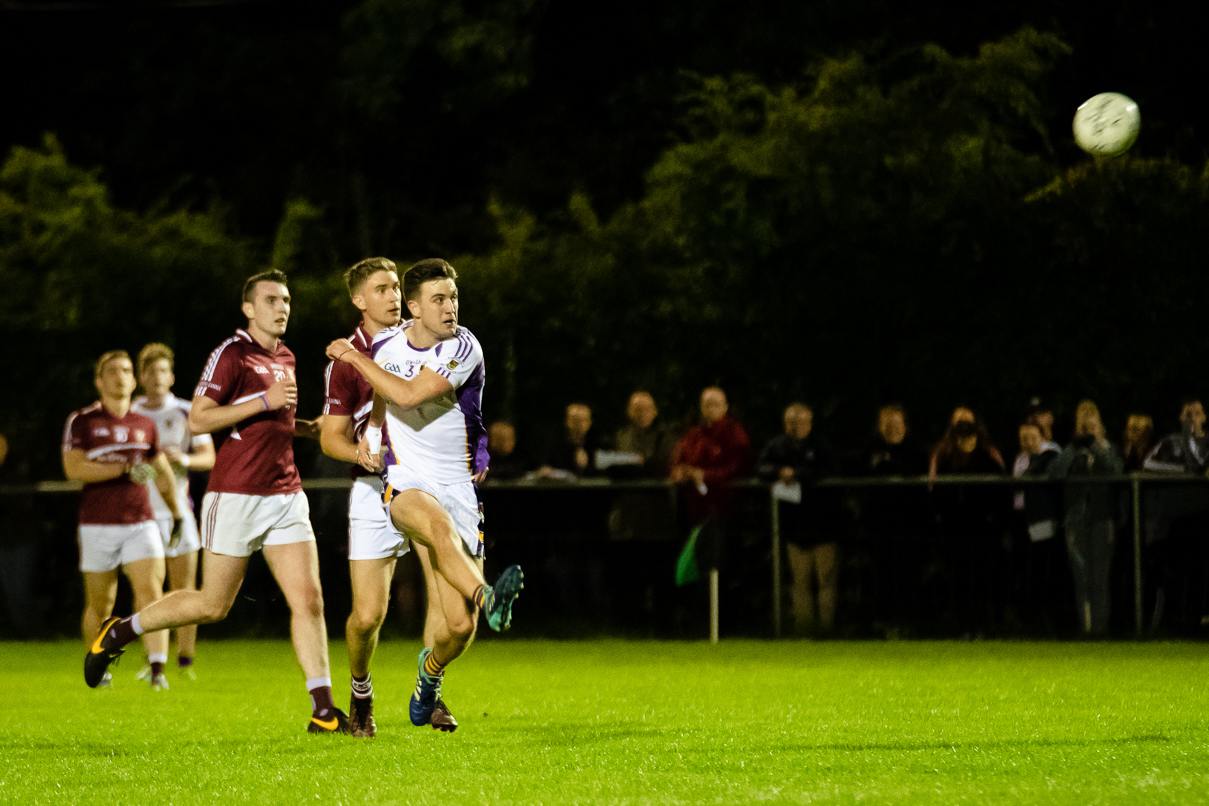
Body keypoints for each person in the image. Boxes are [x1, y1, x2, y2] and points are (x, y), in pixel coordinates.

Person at [83, 270, 348, 734]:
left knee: (309, 599)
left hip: (285, 493)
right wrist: (263, 402)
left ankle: (323, 710)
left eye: (285, 299)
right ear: (248, 308)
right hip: (236, 495)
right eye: (270, 300)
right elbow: (201, 420)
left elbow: (272, 421)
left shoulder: (284, 355)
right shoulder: (231, 353)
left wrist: (307, 427)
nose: (281, 307)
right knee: (212, 605)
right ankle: (121, 631)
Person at [324, 257, 523, 732]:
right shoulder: (389, 346)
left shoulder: (463, 346)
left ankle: (428, 680)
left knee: (458, 628)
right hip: (406, 483)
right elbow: (383, 395)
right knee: (429, 531)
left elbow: (409, 394)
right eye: (439, 299)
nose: (450, 306)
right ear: (414, 308)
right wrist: (372, 432)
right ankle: (488, 595)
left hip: (457, 488)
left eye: (453, 297)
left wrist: (355, 358)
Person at [320, 256, 457, 737]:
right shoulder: (346, 359)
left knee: (444, 597)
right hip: (371, 487)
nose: (393, 295)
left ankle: (431, 691)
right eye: (381, 288)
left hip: (424, 483)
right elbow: (330, 437)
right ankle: (360, 692)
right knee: (367, 615)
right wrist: (360, 454)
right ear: (359, 301)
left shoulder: (424, 337)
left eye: (396, 286)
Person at [66, 350, 184, 690]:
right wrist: (121, 468)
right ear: (99, 381)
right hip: (97, 523)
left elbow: (161, 471)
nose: (121, 376)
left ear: (135, 381)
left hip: (140, 521)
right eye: (113, 371)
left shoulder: (144, 424)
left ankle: (157, 670)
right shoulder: (82, 420)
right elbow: (73, 468)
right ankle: (98, 668)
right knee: (100, 602)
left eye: (127, 371)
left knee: (151, 592)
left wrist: (176, 512)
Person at [131, 342, 216, 681]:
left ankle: (186, 662)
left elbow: (209, 458)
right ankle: (154, 662)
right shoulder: (131, 413)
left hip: (180, 511)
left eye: (163, 371)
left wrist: (184, 460)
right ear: (141, 377)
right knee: (148, 590)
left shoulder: (186, 411)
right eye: (150, 371)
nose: (156, 377)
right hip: (139, 514)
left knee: (185, 589)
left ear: (172, 376)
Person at [757, 402, 839, 635]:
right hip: (793, 527)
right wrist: (778, 472)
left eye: (801, 422)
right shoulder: (777, 446)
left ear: (809, 423)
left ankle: (826, 631)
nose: (796, 427)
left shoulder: (820, 445)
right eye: (791, 422)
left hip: (823, 525)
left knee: (826, 581)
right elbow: (760, 468)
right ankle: (804, 630)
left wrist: (799, 473)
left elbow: (830, 470)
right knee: (799, 583)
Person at [1048, 400, 1124, 636]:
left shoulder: (1109, 448)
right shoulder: (1070, 450)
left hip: (1103, 519)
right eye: (1084, 426)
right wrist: (1074, 448)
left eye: (1092, 425)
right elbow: (1054, 473)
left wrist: (1098, 446)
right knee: (1081, 577)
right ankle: (1086, 629)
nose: (1088, 432)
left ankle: (1101, 629)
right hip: (1076, 520)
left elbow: (1117, 472)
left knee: (1100, 577)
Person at [860, 404, 929, 633]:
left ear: (904, 425)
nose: (890, 428)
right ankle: (883, 622)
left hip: (909, 525)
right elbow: (861, 472)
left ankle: (910, 623)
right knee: (882, 575)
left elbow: (914, 472)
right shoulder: (872, 448)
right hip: (879, 525)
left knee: (908, 575)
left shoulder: (915, 449)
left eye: (895, 423)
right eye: (886, 423)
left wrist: (888, 464)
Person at [671, 386, 753, 573]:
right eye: (707, 404)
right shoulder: (694, 434)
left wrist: (704, 475)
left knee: (717, 567)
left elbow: (738, 468)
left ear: (725, 407)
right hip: (695, 512)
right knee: (697, 565)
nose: (711, 408)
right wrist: (679, 472)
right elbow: (679, 459)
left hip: (721, 512)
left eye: (716, 404)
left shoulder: (735, 432)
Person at [614, 391, 677, 479]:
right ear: (629, 412)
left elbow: (665, 465)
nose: (643, 413)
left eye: (647, 409)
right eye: (638, 409)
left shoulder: (664, 436)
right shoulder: (622, 436)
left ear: (655, 411)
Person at [536, 403, 598, 479]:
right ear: (566, 421)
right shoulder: (554, 445)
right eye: (574, 420)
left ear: (590, 423)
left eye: (582, 420)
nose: (578, 425)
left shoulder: (594, 443)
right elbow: (544, 469)